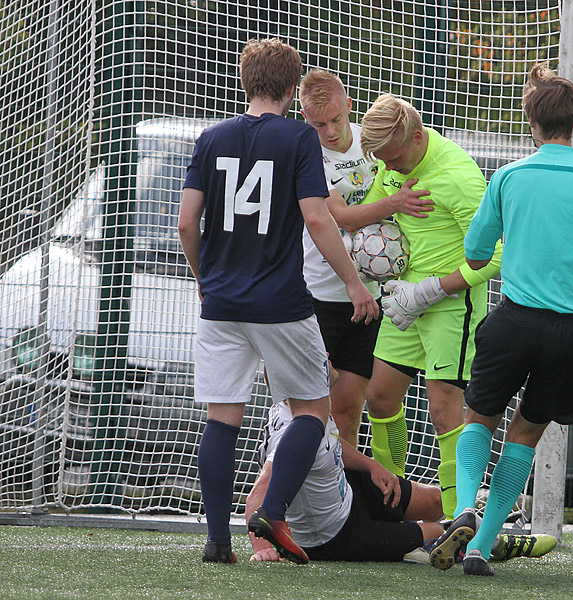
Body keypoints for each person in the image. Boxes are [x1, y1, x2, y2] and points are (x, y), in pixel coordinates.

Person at [428, 63, 573, 577]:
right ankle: (480, 545)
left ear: (530, 120)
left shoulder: (509, 176)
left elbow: (476, 254)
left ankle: (461, 512)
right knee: (524, 436)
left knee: (477, 417)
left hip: (514, 323)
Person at [178, 39, 379, 564]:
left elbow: (185, 222)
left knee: (222, 418)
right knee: (312, 409)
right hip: (282, 303)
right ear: (292, 90)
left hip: (220, 305)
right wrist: (355, 283)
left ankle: (218, 541)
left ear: (244, 82)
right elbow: (317, 216)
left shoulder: (210, 137)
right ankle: (274, 510)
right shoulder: (298, 139)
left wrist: (205, 278)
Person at [357, 94, 503, 519]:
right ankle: (391, 507)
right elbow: (378, 218)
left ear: (418, 137)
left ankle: (459, 519)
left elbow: (496, 255)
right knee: (380, 396)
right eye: (383, 160)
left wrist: (432, 290)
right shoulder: (389, 163)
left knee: (443, 412)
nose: (391, 167)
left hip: (449, 306)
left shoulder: (458, 176)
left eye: (396, 158)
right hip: (403, 302)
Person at [297, 69, 433, 447]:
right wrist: (395, 203)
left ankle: (350, 500)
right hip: (320, 295)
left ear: (349, 107)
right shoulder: (305, 151)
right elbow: (338, 216)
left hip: (372, 298)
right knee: (310, 411)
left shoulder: (372, 141)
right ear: (305, 118)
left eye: (337, 119)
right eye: (317, 123)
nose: (329, 131)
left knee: (349, 410)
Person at [245, 401, 558, 564]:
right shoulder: (290, 427)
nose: (328, 356)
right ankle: (489, 542)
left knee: (436, 501)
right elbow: (259, 492)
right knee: (436, 532)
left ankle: (474, 523)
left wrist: (371, 465)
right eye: (321, 355)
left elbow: (332, 444)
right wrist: (262, 547)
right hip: (334, 536)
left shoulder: (309, 402)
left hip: (349, 492)